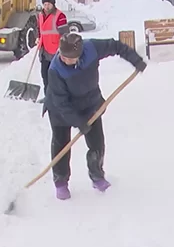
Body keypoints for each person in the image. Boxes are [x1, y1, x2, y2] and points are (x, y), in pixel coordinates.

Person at [43, 32, 147, 200]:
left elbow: (115, 46)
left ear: (79, 53)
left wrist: (135, 59)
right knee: (61, 145)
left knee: (97, 143)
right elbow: (61, 103)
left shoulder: (91, 48)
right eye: (63, 56)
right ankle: (60, 182)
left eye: (70, 58)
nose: (65, 60)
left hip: (90, 105)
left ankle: (97, 176)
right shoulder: (56, 70)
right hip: (60, 110)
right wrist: (78, 122)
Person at [36, 0, 68, 102]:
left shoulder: (60, 16)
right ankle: (48, 97)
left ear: (53, 4)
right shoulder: (40, 15)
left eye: (49, 4)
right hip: (44, 50)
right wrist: (38, 38)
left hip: (56, 51)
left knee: (56, 77)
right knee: (45, 75)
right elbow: (40, 30)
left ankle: (58, 98)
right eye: (45, 4)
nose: (46, 6)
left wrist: (63, 48)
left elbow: (65, 34)